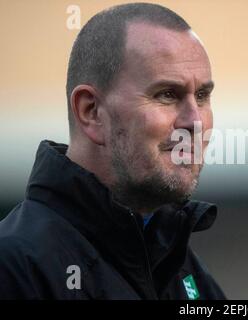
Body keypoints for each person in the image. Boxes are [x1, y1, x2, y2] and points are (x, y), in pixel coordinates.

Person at [0, 3, 225, 300]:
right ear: (91, 111)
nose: (195, 122)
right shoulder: (15, 267)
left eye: (202, 95)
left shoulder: (182, 268)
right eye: (167, 95)